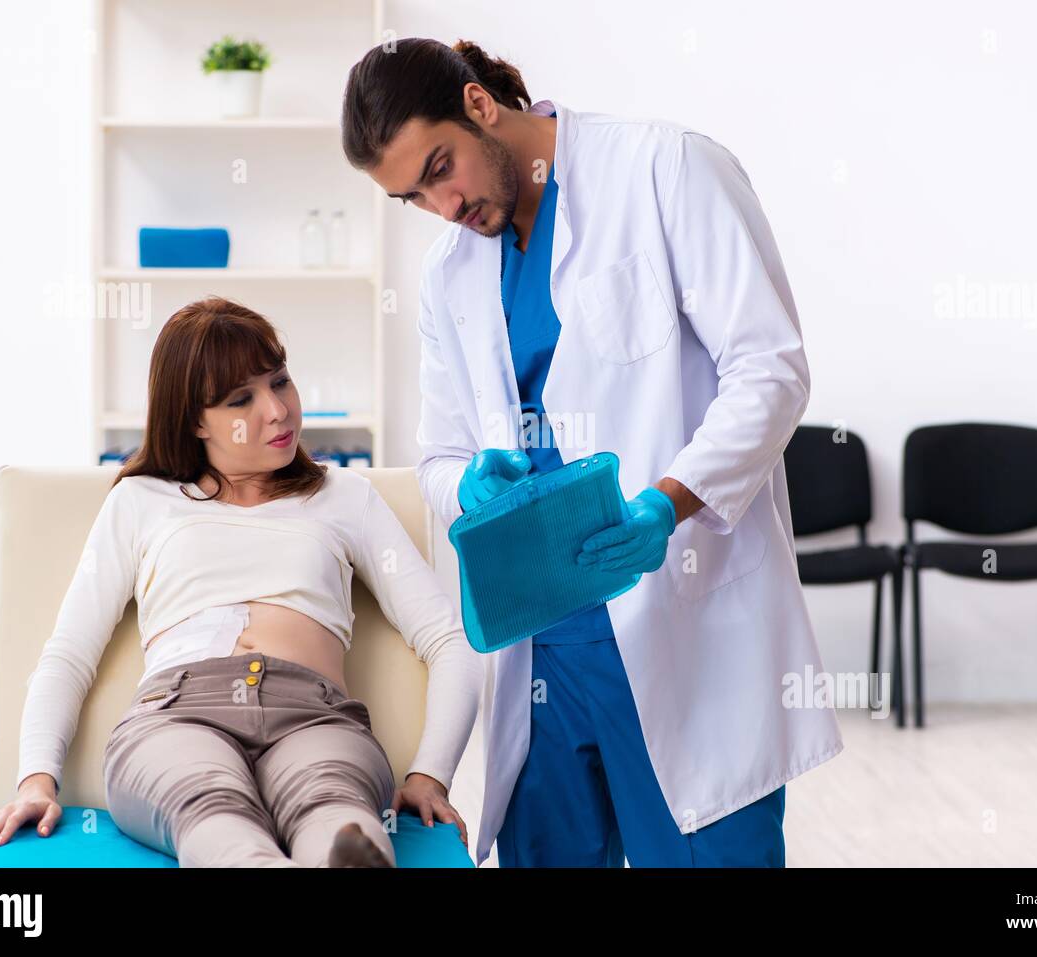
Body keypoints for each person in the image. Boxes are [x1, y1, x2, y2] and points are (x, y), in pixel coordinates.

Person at [341, 38, 845, 867]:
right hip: (542, 663)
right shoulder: (448, 274)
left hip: (679, 615)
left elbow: (771, 369)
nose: (444, 203)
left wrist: (669, 501)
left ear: (477, 105)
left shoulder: (665, 169)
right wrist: (470, 485)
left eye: (442, 167)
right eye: (414, 196)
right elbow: (436, 456)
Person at [0, 296, 482, 867]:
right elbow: (68, 653)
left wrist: (430, 773)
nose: (278, 410)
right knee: (210, 808)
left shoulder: (345, 497)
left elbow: (448, 638)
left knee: (335, 808)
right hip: (176, 713)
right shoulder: (141, 502)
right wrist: (36, 780)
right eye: (243, 400)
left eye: (280, 382)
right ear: (192, 419)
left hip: (314, 713)